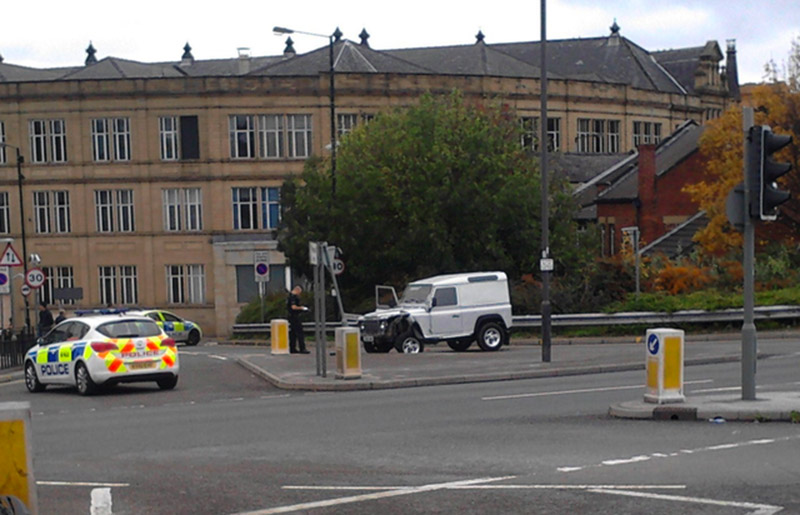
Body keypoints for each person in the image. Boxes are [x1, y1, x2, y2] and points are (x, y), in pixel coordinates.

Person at [287, 286, 309, 354]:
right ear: (297, 290)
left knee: (293, 333)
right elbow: (293, 307)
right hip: (295, 317)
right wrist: (302, 308)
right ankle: (302, 348)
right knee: (300, 332)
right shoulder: (293, 297)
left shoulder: (289, 296)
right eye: (299, 292)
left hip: (290, 316)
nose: (299, 294)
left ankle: (292, 348)